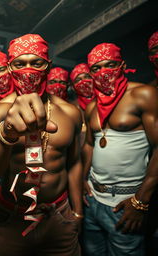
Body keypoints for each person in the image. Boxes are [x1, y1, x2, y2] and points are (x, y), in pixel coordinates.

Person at [0, 34, 82, 256]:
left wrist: (77, 211)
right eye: (20, 64)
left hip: (57, 214)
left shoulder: (70, 112)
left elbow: (74, 163)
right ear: (10, 67)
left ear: (48, 66)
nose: (29, 70)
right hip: (11, 215)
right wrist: (7, 132)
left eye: (36, 63)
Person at [82, 42, 158, 256]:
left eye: (110, 65)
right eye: (96, 68)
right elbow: (89, 144)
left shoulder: (144, 94)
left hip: (125, 203)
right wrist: (81, 180)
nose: (103, 72)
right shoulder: (91, 106)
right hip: (93, 200)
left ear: (123, 65)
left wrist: (140, 201)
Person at [70, 63, 95, 146]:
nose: (84, 82)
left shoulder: (106, 103)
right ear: (73, 87)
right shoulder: (72, 108)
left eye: (87, 77)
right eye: (78, 80)